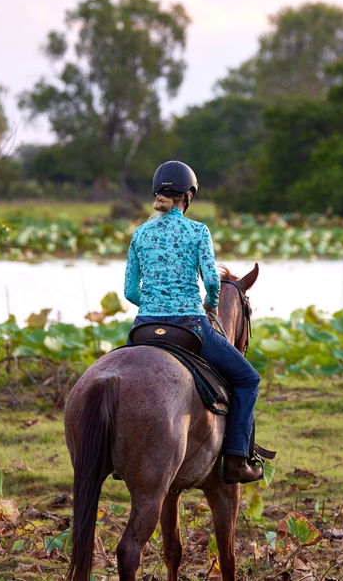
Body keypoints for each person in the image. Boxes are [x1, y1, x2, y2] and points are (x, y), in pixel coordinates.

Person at [124, 160, 263, 483]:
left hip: (143, 328)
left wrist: (156, 303)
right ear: (189, 196)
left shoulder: (140, 233)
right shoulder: (197, 231)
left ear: (158, 194)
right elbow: (212, 281)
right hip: (190, 327)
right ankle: (236, 459)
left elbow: (130, 291)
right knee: (247, 380)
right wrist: (211, 305)